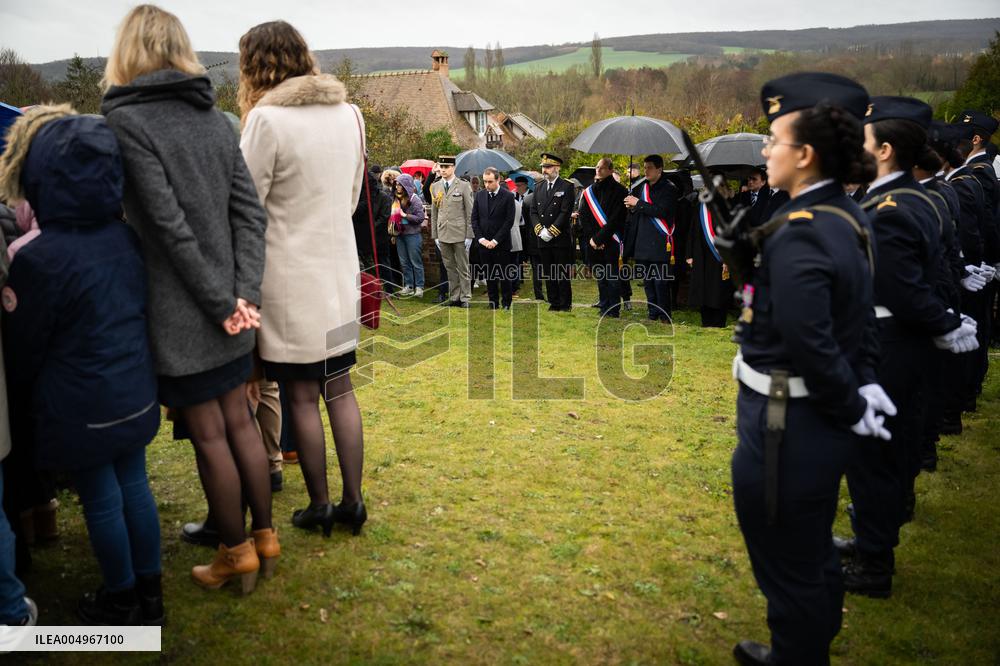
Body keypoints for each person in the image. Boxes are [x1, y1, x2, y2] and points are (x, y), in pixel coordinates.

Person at [102, 4, 273, 594]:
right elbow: (250, 218)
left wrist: (226, 300)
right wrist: (243, 296)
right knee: (240, 424)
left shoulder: (126, 123)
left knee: (211, 434)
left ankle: (236, 552)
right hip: (230, 301)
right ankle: (265, 539)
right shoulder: (216, 118)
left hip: (185, 309)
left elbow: (168, 227)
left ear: (128, 50)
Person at [730, 72, 891, 665]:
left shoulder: (801, 233)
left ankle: (795, 655)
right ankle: (804, 648)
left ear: (804, 154)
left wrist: (852, 400)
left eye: (774, 139)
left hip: (784, 422)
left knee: (786, 558)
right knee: (811, 550)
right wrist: (866, 383)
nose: (766, 151)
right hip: (814, 422)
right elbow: (863, 317)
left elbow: (810, 339)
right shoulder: (846, 217)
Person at [1, 108, 162, 624]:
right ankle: (151, 595)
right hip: (133, 389)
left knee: (100, 498)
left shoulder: (37, 260)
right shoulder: (125, 240)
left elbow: (24, 346)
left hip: (79, 403)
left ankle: (121, 595)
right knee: (134, 485)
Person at [837, 96, 975, 599]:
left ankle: (873, 564)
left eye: (867, 140)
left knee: (873, 452)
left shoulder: (893, 207)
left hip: (887, 344)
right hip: (900, 342)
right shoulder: (909, 197)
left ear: (887, 149)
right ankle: (872, 539)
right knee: (886, 450)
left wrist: (942, 320)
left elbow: (900, 286)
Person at [238, 20, 368, 538]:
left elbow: (245, 206)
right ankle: (353, 501)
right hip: (340, 271)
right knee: (341, 387)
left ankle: (320, 504)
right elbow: (354, 198)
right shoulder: (351, 115)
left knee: (300, 395)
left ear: (258, 64)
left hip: (291, 280)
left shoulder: (267, 121)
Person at [625, 154, 679, 321]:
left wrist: (638, 204)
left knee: (660, 282)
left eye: (649, 167)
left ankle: (664, 315)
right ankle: (652, 313)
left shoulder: (669, 188)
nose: (646, 171)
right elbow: (639, 212)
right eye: (645, 167)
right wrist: (632, 207)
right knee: (648, 282)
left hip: (660, 242)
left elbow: (661, 211)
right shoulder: (642, 187)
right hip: (643, 240)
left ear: (659, 169)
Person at [579, 158, 627, 317]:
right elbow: (584, 217)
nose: (598, 170)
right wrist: (593, 239)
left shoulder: (621, 191)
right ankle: (604, 305)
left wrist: (599, 239)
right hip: (593, 242)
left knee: (612, 277)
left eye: (602, 168)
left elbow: (616, 219)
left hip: (611, 241)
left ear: (611, 170)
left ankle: (613, 309)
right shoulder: (589, 192)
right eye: (597, 167)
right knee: (601, 276)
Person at [532, 153, 576, 311]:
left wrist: (551, 231)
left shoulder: (567, 186)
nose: (545, 170)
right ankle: (554, 302)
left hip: (558, 237)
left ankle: (565, 303)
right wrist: (540, 230)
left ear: (557, 168)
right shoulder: (538, 187)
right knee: (549, 272)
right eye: (543, 167)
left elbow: (565, 212)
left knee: (561, 272)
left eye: (548, 167)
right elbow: (533, 212)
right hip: (542, 237)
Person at [429, 155, 473, 308]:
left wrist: (469, 235)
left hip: (460, 233)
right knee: (449, 267)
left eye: (446, 167)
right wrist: (435, 235)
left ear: (453, 168)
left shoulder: (463, 186)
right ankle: (454, 297)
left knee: (463, 267)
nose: (443, 170)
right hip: (443, 233)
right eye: (441, 167)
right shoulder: (435, 187)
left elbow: (470, 212)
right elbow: (434, 213)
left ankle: (465, 297)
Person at [471, 167, 517, 309]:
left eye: (490, 181)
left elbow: (509, 221)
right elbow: (474, 219)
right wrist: (481, 239)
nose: (487, 185)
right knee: (489, 276)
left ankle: (506, 303)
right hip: (483, 244)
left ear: (498, 179)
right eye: (484, 181)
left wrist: (495, 241)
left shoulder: (508, 196)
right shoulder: (479, 195)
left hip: (501, 244)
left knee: (503, 276)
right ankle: (493, 302)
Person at [393, 173, 426, 298]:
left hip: (412, 235)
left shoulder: (415, 199)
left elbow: (420, 218)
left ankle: (419, 287)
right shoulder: (397, 198)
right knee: (404, 262)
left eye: (399, 184)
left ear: (406, 185)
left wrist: (405, 215)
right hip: (400, 234)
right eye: (396, 184)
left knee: (415, 262)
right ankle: (408, 285)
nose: (397, 187)